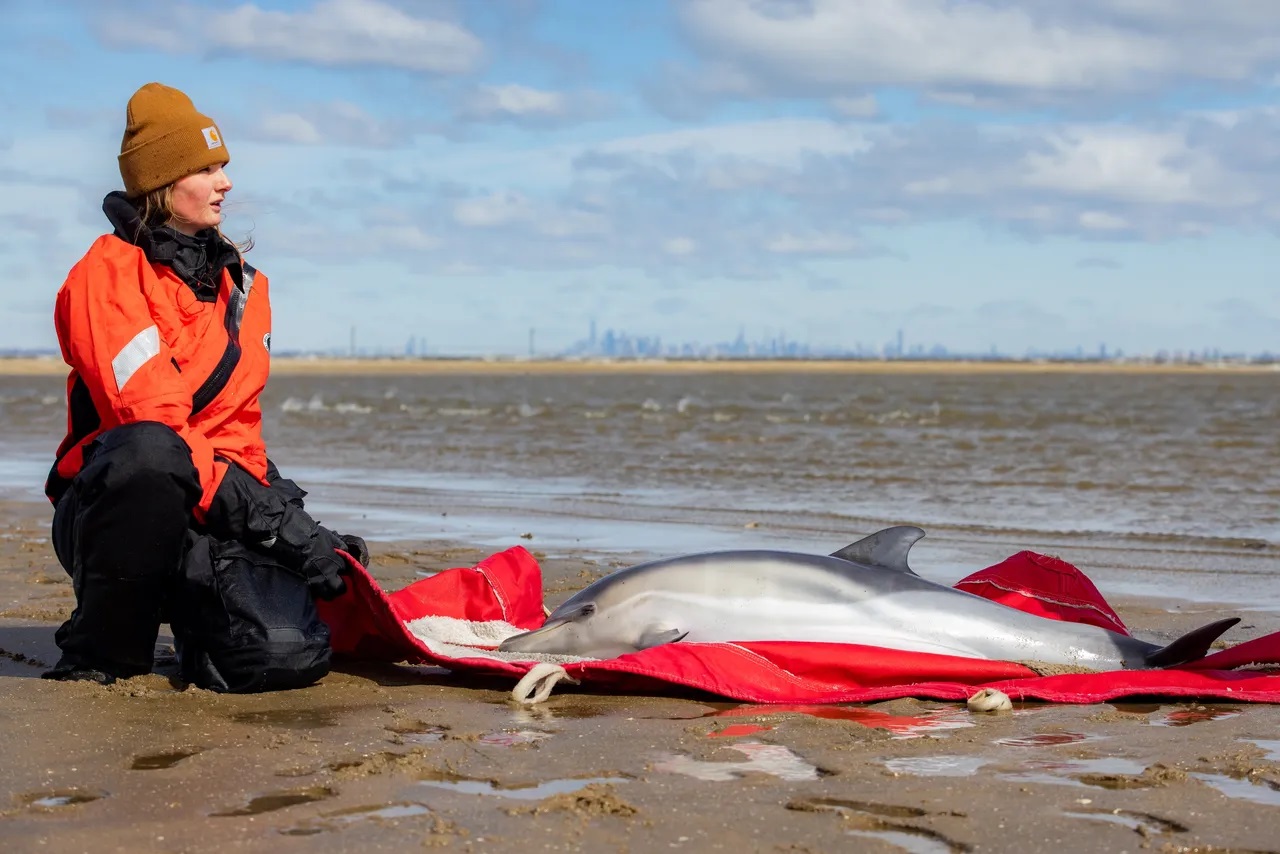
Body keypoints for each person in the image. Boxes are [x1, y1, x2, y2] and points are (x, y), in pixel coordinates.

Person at [43, 82, 367, 692]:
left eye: (224, 166)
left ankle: (204, 624)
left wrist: (298, 527)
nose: (226, 182)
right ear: (163, 182)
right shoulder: (104, 274)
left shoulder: (247, 285)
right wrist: (272, 522)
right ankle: (103, 649)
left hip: (222, 504)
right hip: (119, 506)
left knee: (282, 657)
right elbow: (153, 421)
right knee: (150, 453)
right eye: (206, 168)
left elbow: (239, 428)